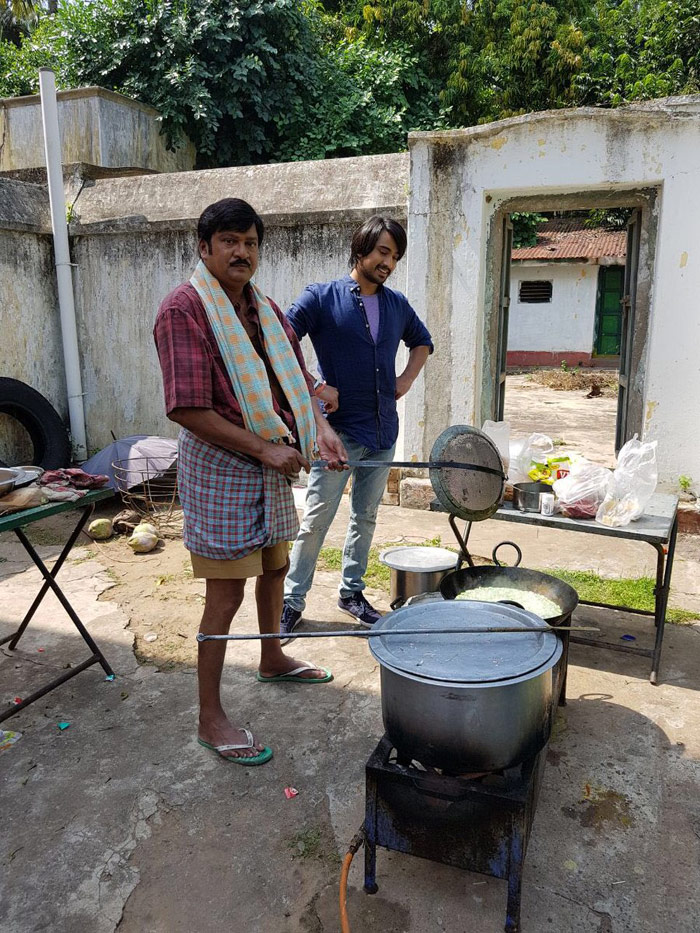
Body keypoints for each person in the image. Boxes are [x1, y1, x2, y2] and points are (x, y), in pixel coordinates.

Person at [153, 198, 347, 765]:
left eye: (251, 242)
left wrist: (321, 429)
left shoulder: (263, 307)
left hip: (272, 461)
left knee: (275, 565)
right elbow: (187, 408)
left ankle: (271, 657)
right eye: (230, 241)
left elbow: (297, 377)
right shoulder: (184, 310)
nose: (242, 252)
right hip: (221, 468)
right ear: (204, 247)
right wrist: (266, 448)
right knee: (226, 592)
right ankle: (209, 716)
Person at [280, 215, 433, 641]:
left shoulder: (396, 304)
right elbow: (281, 340)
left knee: (365, 517)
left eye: (396, 256)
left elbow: (422, 341)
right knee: (315, 520)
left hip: (383, 432)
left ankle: (351, 593)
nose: (389, 262)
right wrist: (314, 386)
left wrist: (404, 381)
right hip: (338, 435)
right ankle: (291, 601)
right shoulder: (322, 297)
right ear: (362, 247)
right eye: (383, 251)